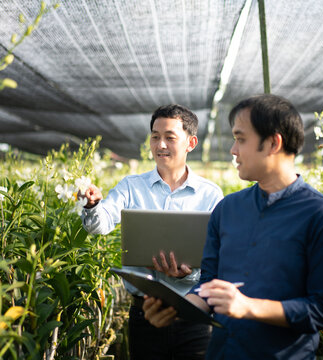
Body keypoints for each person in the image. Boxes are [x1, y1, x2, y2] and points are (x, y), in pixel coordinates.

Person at [143, 94, 323, 359]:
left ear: (273, 143)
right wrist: (176, 308)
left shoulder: (322, 217)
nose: (233, 150)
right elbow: (209, 284)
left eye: (241, 139)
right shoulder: (227, 209)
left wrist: (249, 307)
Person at [79, 104, 224, 360]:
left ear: (191, 142)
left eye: (170, 137)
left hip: (193, 314)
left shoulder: (210, 195)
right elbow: (99, 225)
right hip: (144, 312)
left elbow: (216, 261)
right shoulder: (131, 187)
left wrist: (189, 275)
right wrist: (92, 205)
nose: (160, 145)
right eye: (155, 136)